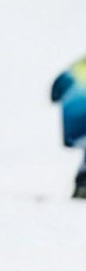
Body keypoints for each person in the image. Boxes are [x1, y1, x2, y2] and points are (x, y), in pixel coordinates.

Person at [51, 54, 86, 198]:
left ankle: (82, 185)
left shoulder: (74, 70)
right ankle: (82, 184)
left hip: (75, 124)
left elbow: (55, 94)